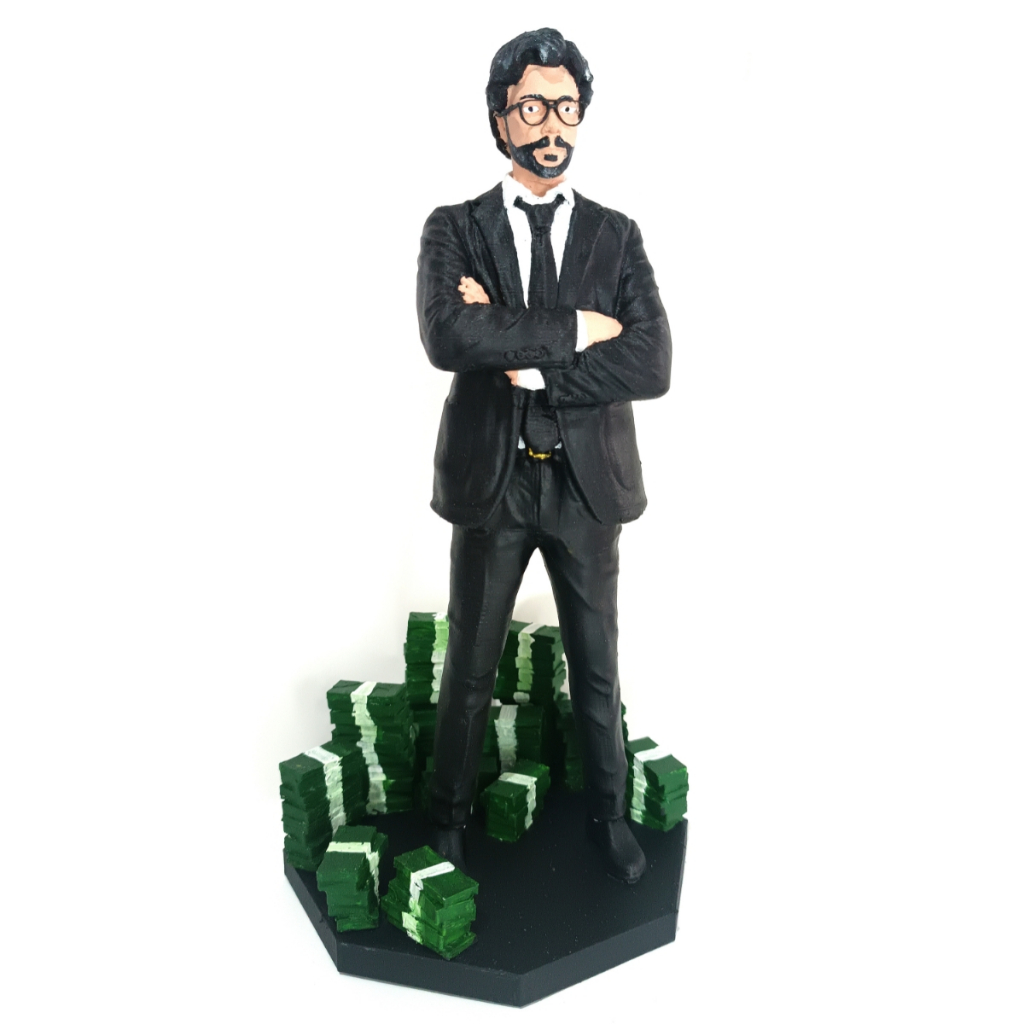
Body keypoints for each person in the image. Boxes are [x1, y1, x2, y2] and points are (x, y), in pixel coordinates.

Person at [417, 27, 671, 883]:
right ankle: (447, 821)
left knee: (597, 665)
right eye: (531, 106)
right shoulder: (455, 229)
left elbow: (653, 362)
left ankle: (608, 814)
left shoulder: (617, 235)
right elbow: (449, 338)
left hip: (586, 486)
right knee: (470, 664)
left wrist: (524, 356)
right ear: (500, 118)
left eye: (565, 106)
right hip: (490, 482)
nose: (551, 123)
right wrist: (578, 329)